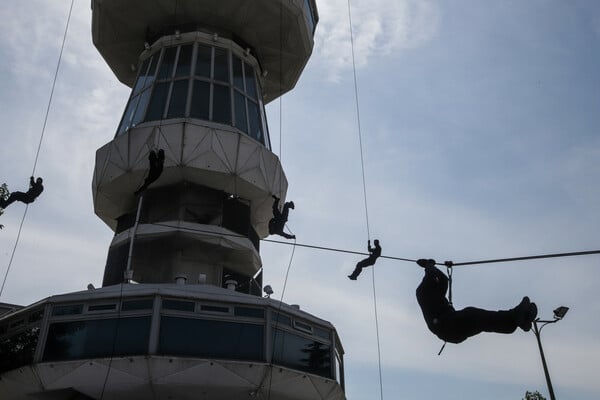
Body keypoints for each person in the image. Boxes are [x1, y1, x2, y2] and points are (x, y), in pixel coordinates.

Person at [415, 258, 538, 344]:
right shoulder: (422, 292)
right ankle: (514, 318)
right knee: (472, 314)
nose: (441, 287)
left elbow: (444, 280)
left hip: (451, 329)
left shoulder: (436, 291)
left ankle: (518, 320)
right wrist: (428, 265)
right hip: (446, 326)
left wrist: (432, 266)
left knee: (482, 320)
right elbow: (431, 275)